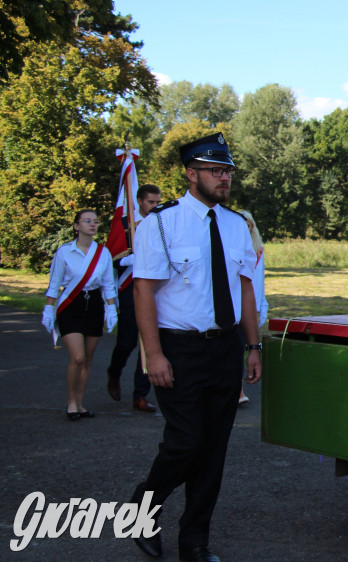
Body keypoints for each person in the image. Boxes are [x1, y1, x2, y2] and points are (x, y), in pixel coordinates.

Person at [128, 132, 262, 562]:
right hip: (179, 348)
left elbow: (245, 289)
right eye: (215, 171)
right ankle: (142, 507)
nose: (225, 179)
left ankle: (194, 542)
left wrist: (252, 345)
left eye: (228, 172)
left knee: (213, 450)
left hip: (225, 348)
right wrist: (153, 354)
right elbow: (143, 290)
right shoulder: (161, 223)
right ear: (191, 174)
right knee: (185, 442)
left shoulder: (236, 224)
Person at [42, 210, 117, 420]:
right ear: (76, 226)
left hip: (94, 305)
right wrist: (48, 308)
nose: (93, 224)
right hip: (71, 306)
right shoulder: (65, 251)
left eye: (96, 221)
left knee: (88, 359)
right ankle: (71, 402)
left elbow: (108, 284)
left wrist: (111, 308)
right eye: (87, 221)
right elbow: (54, 283)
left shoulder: (103, 252)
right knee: (78, 357)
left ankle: (80, 402)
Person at [107, 183, 162, 412]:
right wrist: (132, 258)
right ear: (139, 201)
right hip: (129, 288)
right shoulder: (125, 224)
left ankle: (140, 395)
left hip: (154, 288)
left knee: (148, 341)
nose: (155, 206)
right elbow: (111, 258)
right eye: (151, 202)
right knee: (127, 342)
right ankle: (114, 372)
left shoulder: (161, 223)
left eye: (158, 202)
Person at [237, 210, 269, 405]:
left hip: (252, 302)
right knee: (236, 346)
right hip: (235, 303)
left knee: (247, 345)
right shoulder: (233, 247)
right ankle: (238, 391)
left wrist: (261, 304)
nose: (246, 228)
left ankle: (238, 390)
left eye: (249, 225)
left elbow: (259, 280)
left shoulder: (258, 250)